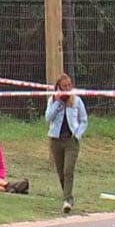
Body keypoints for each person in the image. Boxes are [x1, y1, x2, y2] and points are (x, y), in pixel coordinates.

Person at [46, 73, 89, 214]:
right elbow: (48, 118)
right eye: (64, 86)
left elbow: (84, 120)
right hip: (56, 140)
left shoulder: (77, 101)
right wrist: (57, 102)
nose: (67, 89)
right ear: (58, 88)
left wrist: (77, 134)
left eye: (69, 86)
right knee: (60, 171)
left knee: (68, 169)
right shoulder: (52, 100)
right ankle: (67, 195)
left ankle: (68, 199)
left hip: (71, 140)